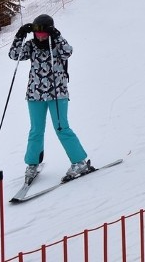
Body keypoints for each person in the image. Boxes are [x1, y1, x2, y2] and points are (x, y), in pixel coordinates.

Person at [8, 14, 91, 181]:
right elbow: (14, 55)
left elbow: (68, 52)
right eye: (37, 33)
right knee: (36, 130)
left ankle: (79, 161)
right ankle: (32, 164)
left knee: (61, 127)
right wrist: (19, 36)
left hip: (57, 93)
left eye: (43, 33)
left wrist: (57, 35)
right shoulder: (31, 45)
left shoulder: (57, 45)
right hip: (35, 94)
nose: (40, 36)